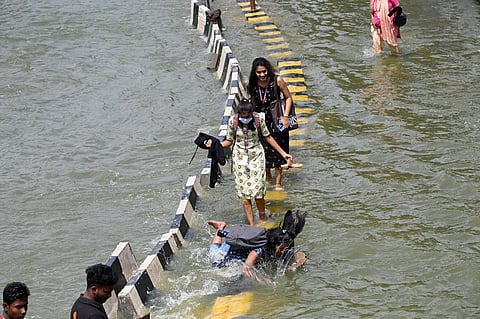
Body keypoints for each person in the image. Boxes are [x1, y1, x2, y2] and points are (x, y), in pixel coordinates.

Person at [219, 99, 292, 225]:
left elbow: (267, 137)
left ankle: (262, 217)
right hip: (240, 159)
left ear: (251, 113)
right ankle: (251, 223)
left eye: (247, 115)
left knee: (258, 190)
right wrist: (216, 146)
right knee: (245, 193)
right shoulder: (233, 122)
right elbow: (229, 140)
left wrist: (283, 153)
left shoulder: (259, 119)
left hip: (256, 157)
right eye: (242, 115)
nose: (245, 118)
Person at [207, 210, 306, 278]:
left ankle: (221, 229)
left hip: (242, 246)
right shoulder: (260, 248)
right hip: (231, 248)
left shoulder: (281, 239)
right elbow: (246, 269)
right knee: (214, 254)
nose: (283, 251)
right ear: (275, 243)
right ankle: (220, 227)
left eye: (285, 249)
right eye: (281, 249)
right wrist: (263, 280)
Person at [247, 57, 296, 191]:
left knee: (279, 147)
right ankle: (268, 177)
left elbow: (288, 98)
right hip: (261, 119)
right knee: (264, 149)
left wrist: (285, 117)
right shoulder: (252, 84)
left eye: (264, 72)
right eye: (259, 72)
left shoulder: (277, 81)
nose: (262, 75)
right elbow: (253, 103)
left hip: (277, 118)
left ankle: (278, 183)